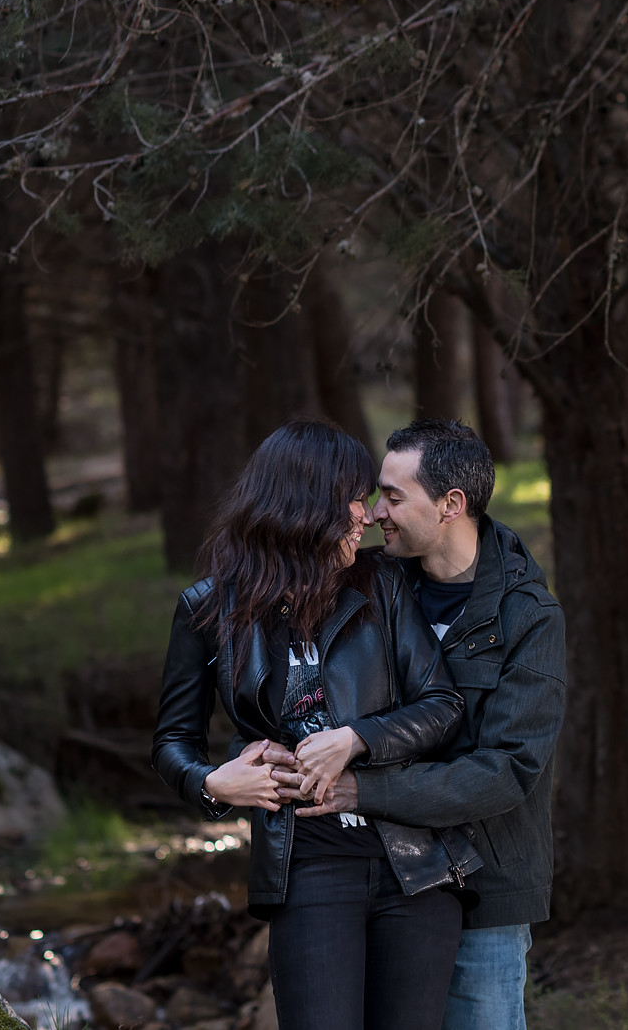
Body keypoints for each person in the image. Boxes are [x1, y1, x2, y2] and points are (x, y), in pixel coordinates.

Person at [152, 420, 480, 1030]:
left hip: (413, 866)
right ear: (307, 505)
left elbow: (443, 705)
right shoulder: (207, 608)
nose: (366, 515)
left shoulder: (381, 584)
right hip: (307, 870)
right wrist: (214, 785)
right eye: (353, 499)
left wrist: (357, 739)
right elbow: (172, 742)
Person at [274, 417, 566, 1030]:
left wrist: (364, 788)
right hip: (386, 877)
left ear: (451, 505)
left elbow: (506, 769)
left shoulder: (527, 616)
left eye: (393, 496)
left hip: (486, 883)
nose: (375, 511)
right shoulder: (373, 583)